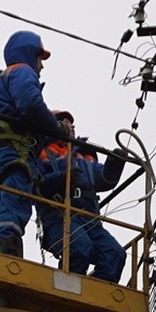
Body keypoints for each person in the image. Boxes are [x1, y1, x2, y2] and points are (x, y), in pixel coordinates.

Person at [0, 31, 70, 257]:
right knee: (15, 192)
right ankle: (9, 249)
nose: (41, 66)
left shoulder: (2, 80)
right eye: (40, 59)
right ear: (31, 54)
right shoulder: (23, 72)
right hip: (15, 152)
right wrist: (57, 129)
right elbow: (30, 105)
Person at [35, 110, 127, 283]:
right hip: (58, 216)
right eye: (65, 122)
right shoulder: (41, 151)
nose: (72, 126)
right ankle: (67, 293)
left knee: (114, 254)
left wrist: (115, 165)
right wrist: (61, 178)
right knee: (78, 248)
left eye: (71, 123)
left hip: (89, 220)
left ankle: (97, 296)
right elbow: (37, 184)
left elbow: (103, 179)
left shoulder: (83, 154)